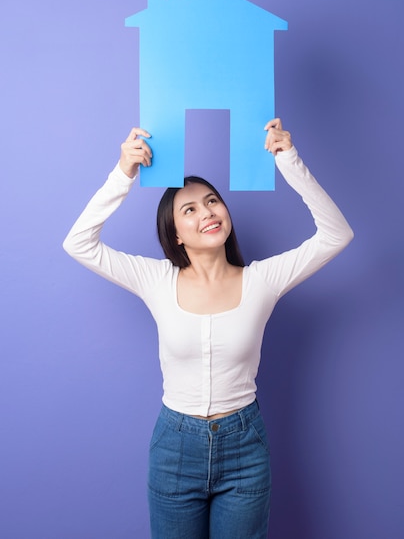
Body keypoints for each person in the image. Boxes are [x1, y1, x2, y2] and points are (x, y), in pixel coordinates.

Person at [63, 119, 353, 539]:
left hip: (245, 449)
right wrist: (123, 174)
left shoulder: (262, 281)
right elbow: (79, 243)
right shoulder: (155, 279)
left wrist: (288, 161)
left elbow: (336, 234)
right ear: (175, 234)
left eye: (213, 201)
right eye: (191, 209)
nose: (208, 213)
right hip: (175, 449)